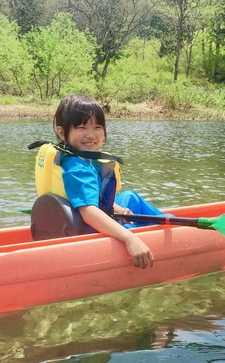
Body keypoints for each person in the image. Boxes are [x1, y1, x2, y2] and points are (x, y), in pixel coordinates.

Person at [44, 93, 165, 268]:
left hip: (83, 221)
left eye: (97, 127)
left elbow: (91, 199)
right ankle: (175, 230)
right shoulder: (78, 169)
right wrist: (129, 238)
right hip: (91, 230)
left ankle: (169, 223)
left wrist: (119, 210)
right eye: (82, 127)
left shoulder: (79, 159)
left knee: (129, 198)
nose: (91, 135)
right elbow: (89, 212)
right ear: (62, 132)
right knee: (137, 225)